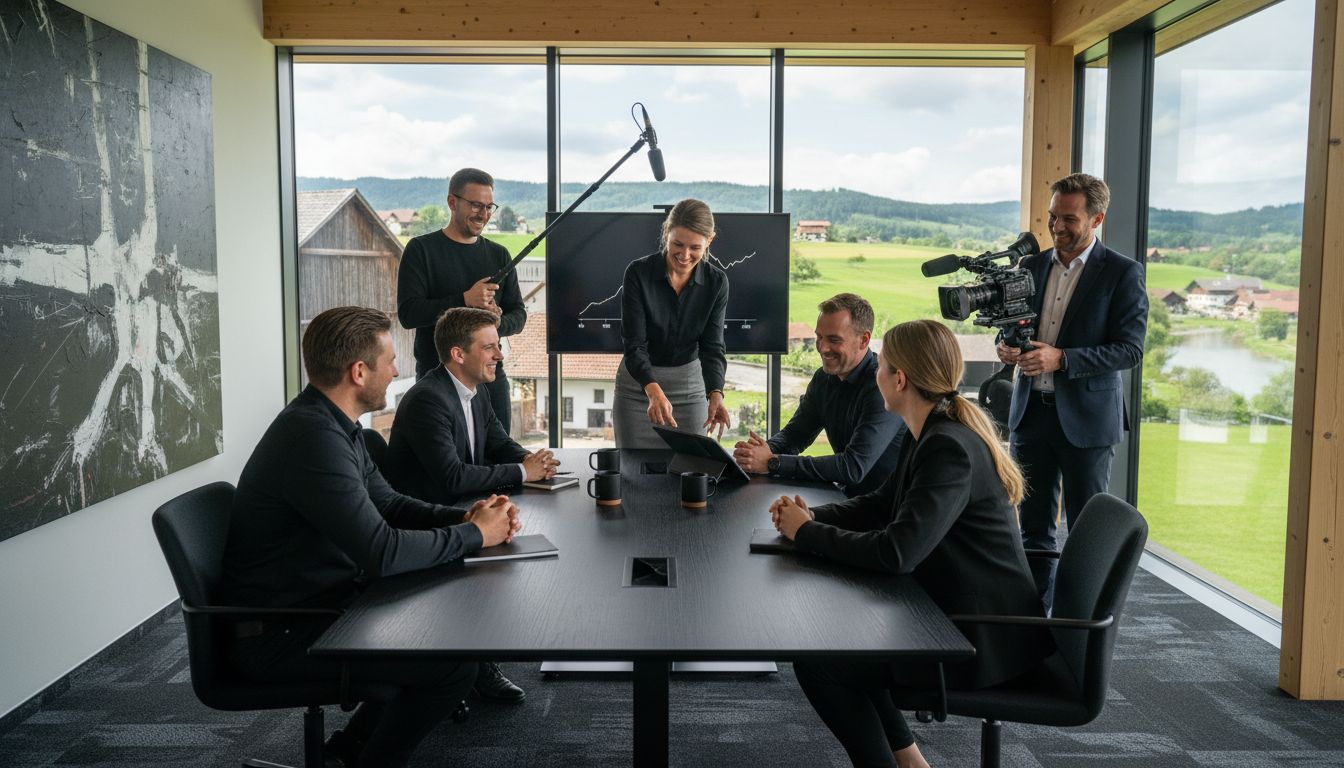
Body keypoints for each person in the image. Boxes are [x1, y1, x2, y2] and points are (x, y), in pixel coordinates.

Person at [219, 306, 521, 768]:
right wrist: (473, 537)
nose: (398, 369)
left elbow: (393, 504)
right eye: (389, 359)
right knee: (451, 666)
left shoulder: (335, 426)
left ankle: (346, 754)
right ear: (359, 372)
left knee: (442, 637)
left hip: (320, 604)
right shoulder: (314, 440)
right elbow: (381, 552)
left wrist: (466, 516)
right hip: (283, 631)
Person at [770, 319, 1050, 768]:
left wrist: (805, 533)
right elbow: (881, 504)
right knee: (845, 648)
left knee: (823, 663)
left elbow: (897, 553)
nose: (876, 372)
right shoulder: (931, 430)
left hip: (980, 639)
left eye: (882, 365)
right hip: (954, 615)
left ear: (899, 379)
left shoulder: (948, 447)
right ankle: (911, 763)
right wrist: (809, 518)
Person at [382, 307, 555, 704]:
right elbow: (453, 477)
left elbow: (497, 443)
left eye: (499, 346)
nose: (500, 355)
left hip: (459, 508)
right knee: (505, 554)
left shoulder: (473, 392)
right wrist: (521, 472)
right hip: (427, 519)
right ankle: (473, 664)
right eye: (490, 347)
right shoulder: (429, 399)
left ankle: (476, 655)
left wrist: (535, 462)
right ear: (459, 354)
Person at [996, 173, 1147, 607]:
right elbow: (1011, 327)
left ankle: (1079, 628)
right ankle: (1032, 625)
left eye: (1068, 219)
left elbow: (1129, 350)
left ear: (1097, 218)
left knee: (1086, 532)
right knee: (1032, 529)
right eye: (1051, 217)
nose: (1057, 227)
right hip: (1031, 417)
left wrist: (1061, 359)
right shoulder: (1032, 267)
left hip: (1088, 423)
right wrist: (1006, 347)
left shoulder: (1123, 273)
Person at [732, 293, 906, 497]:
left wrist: (773, 462)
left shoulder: (881, 385)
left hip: (886, 511)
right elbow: (794, 435)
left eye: (834, 340)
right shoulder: (824, 378)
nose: (822, 348)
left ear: (864, 339)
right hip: (848, 500)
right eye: (819, 337)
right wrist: (758, 454)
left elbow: (853, 467)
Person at [398, 167, 525, 434]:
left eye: (489, 206)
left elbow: (519, 315)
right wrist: (465, 299)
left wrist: (496, 324)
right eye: (476, 205)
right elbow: (409, 314)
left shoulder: (499, 254)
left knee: (498, 456)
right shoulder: (421, 250)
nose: (484, 214)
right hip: (437, 378)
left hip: (490, 378)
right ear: (452, 202)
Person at [615, 198, 731, 448]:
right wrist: (653, 391)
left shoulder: (717, 283)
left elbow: (712, 347)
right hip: (638, 387)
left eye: (695, 248)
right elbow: (634, 345)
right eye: (677, 244)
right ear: (666, 232)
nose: (685, 255)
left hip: (690, 388)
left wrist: (715, 393)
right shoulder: (638, 273)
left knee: (692, 469)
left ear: (709, 241)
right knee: (633, 473)